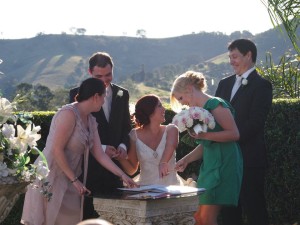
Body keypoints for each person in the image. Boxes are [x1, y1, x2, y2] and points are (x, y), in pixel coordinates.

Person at [21, 78, 136, 225]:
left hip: (72, 180)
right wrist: (75, 180)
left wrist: (123, 176)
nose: (103, 101)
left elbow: (100, 154)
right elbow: (57, 150)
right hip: (52, 176)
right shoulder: (68, 114)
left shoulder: (91, 120)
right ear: (95, 96)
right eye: (103, 97)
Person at [170, 71, 243, 225]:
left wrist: (204, 136)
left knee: (207, 219)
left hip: (225, 162)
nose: (182, 103)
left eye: (181, 98)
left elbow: (234, 134)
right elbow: (206, 145)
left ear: (190, 89)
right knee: (197, 218)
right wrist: (186, 160)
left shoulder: (215, 104)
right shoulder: (198, 114)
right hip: (210, 164)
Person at [215, 39, 272, 225]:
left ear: (249, 55)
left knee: (255, 208)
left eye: (235, 56)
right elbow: (214, 116)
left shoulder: (262, 85)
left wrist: (230, 137)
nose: (231, 61)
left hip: (249, 158)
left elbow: (256, 122)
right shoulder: (224, 84)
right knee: (229, 211)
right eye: (230, 57)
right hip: (225, 159)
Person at [69, 52, 132, 219]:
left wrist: (124, 146)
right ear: (90, 73)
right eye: (99, 76)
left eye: (108, 75)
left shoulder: (122, 94)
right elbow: (76, 134)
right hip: (90, 171)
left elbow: (127, 127)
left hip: (115, 169)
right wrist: (102, 148)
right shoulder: (76, 94)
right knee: (88, 218)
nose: (105, 80)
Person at [117, 94, 195, 186]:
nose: (164, 109)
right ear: (149, 111)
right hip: (145, 188)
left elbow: (171, 145)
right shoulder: (134, 135)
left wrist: (163, 162)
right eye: (159, 106)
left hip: (172, 187)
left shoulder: (171, 129)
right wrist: (121, 159)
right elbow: (132, 170)